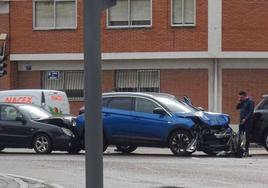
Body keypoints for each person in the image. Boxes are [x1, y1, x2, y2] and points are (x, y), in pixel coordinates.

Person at [236, 91, 254, 156]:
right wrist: (240, 102)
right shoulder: (242, 102)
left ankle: (247, 150)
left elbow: (251, 112)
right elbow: (237, 108)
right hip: (241, 121)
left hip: (248, 121)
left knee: (247, 136)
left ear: (245, 96)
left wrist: (245, 119)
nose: (241, 98)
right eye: (240, 97)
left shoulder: (250, 102)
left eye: (242, 97)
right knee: (240, 134)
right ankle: (240, 149)